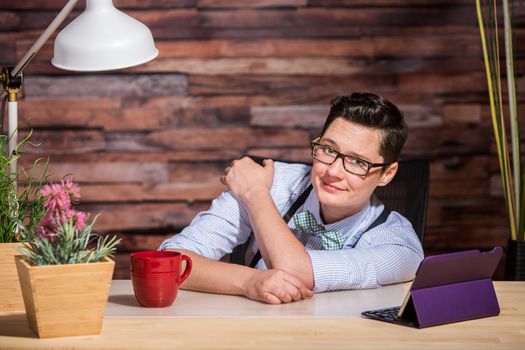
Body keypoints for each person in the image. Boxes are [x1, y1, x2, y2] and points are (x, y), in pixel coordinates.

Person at [160, 92, 424, 304]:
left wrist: (255, 196)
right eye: (328, 150)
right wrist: (249, 282)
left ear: (387, 174)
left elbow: (295, 272)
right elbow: (169, 261)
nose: (333, 171)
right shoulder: (274, 184)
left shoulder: (399, 245)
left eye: (356, 162)